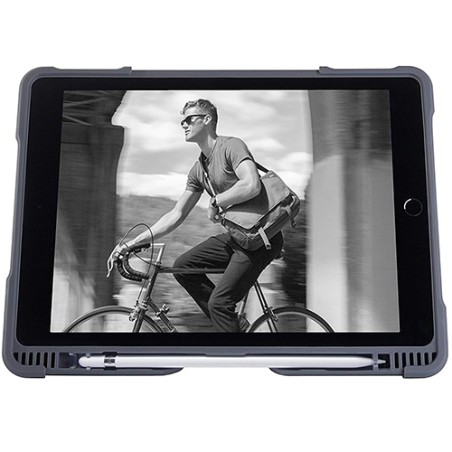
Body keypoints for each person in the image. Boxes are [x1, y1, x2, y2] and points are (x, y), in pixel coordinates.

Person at [108, 99, 283, 332]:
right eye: (182, 121)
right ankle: (234, 326)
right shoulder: (199, 169)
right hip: (238, 238)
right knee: (183, 267)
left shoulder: (231, 146)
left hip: (261, 239)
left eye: (189, 119)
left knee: (219, 304)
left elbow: (251, 184)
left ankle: (232, 341)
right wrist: (132, 243)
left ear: (207, 120)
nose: (184, 124)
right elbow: (176, 214)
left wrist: (216, 201)